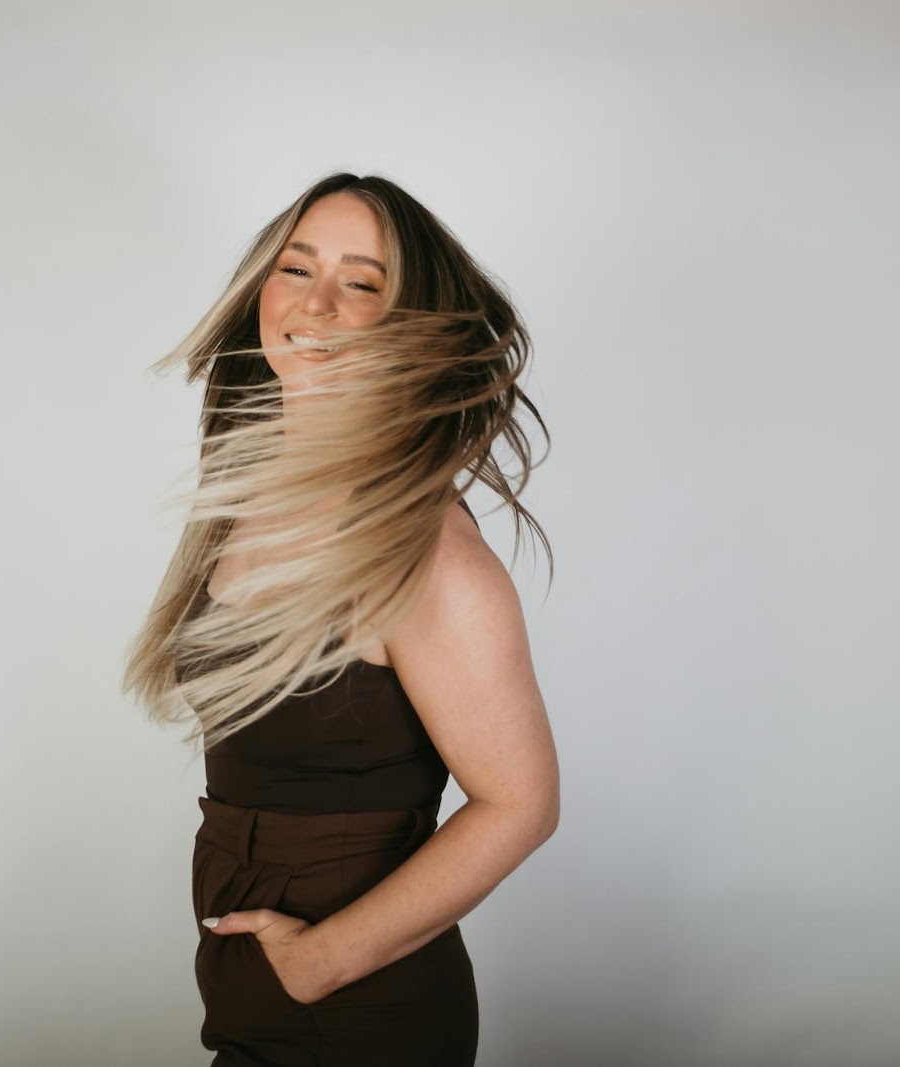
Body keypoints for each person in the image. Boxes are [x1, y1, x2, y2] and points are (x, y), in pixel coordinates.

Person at [122, 171, 560, 1066]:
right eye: (296, 268)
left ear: (408, 322)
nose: (315, 305)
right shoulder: (240, 500)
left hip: (359, 1016)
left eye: (362, 283)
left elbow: (522, 803)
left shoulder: (426, 554)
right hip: (252, 1002)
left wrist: (319, 963)